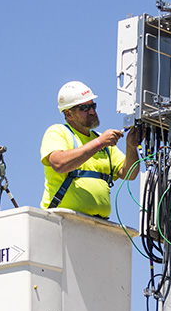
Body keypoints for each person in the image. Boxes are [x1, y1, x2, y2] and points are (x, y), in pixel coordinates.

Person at [41, 81, 139, 217]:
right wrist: (99, 143)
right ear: (69, 114)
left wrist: (131, 147)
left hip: (97, 225)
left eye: (93, 106)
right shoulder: (58, 132)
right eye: (85, 108)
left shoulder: (102, 141)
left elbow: (130, 174)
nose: (92, 112)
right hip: (63, 220)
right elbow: (59, 163)